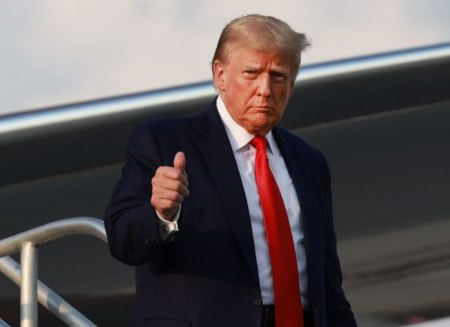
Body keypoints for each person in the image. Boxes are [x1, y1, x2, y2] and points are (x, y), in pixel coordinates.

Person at [104, 14, 357, 327]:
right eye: (251, 73)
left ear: (292, 84)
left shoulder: (310, 162)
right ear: (219, 74)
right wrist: (161, 214)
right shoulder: (163, 141)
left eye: (278, 76)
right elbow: (120, 239)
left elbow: (328, 284)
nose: (265, 89)